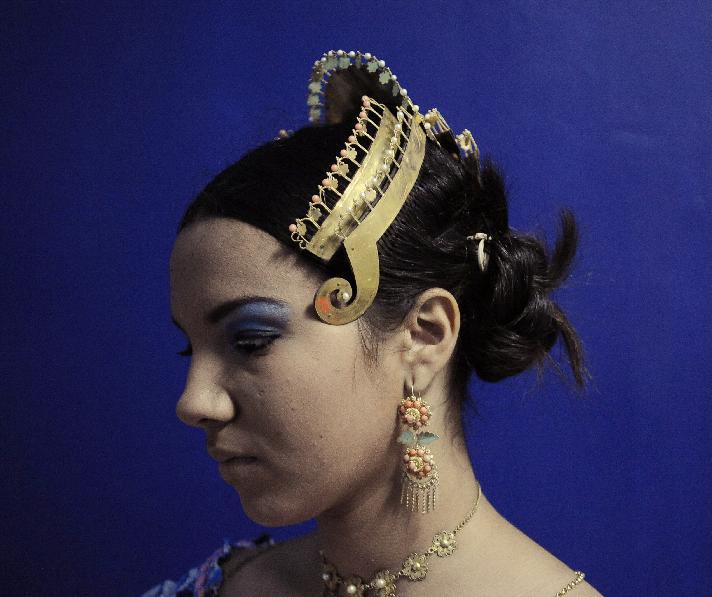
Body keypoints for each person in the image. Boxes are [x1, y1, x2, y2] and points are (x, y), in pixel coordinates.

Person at [144, 50, 603, 597]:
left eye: (249, 340)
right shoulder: (225, 584)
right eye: (189, 350)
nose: (193, 402)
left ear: (425, 336)